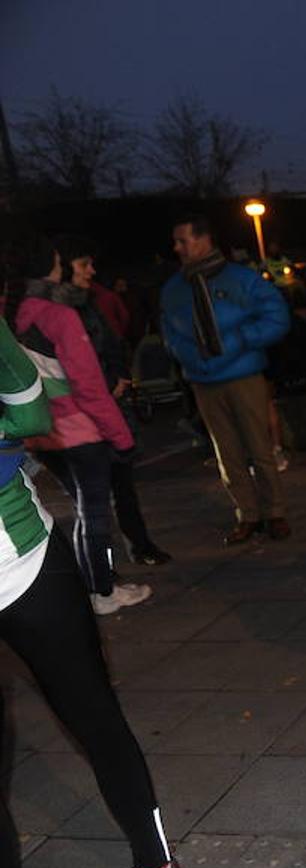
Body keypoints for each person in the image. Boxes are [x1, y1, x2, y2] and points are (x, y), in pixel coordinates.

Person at [0, 235, 182, 868]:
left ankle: (155, 863)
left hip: (22, 560)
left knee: (94, 713)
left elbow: (30, 403)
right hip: (27, 539)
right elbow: (32, 402)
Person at [7, 237, 154, 614]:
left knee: (82, 510)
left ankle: (94, 585)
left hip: (42, 435)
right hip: (77, 431)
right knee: (95, 515)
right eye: (59, 264)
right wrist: (120, 436)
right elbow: (88, 385)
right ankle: (102, 591)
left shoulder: (14, 313)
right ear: (49, 270)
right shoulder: (60, 315)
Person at [160, 214, 291, 543]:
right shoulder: (174, 289)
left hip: (243, 375)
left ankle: (274, 511)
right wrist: (186, 354)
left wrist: (241, 340)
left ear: (204, 240)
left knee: (259, 446)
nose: (176, 247)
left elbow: (277, 317)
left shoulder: (242, 279)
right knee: (226, 452)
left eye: (183, 240)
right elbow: (167, 332)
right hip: (203, 382)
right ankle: (246, 514)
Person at [53, 235, 172, 567]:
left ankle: (140, 545)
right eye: (84, 264)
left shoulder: (88, 303)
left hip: (108, 406)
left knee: (123, 485)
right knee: (92, 502)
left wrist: (119, 376)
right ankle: (103, 572)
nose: (92, 270)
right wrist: (106, 384)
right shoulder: (58, 313)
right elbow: (73, 366)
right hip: (82, 414)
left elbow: (112, 343)